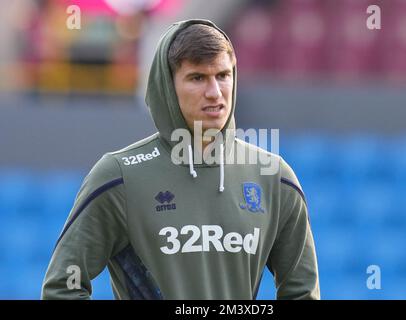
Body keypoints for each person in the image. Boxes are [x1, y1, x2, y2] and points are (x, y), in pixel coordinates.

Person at [41, 19, 320, 300]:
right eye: (197, 78)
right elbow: (62, 288)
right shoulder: (120, 176)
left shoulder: (274, 177)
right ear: (167, 86)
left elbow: (302, 292)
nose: (215, 92)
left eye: (223, 75)